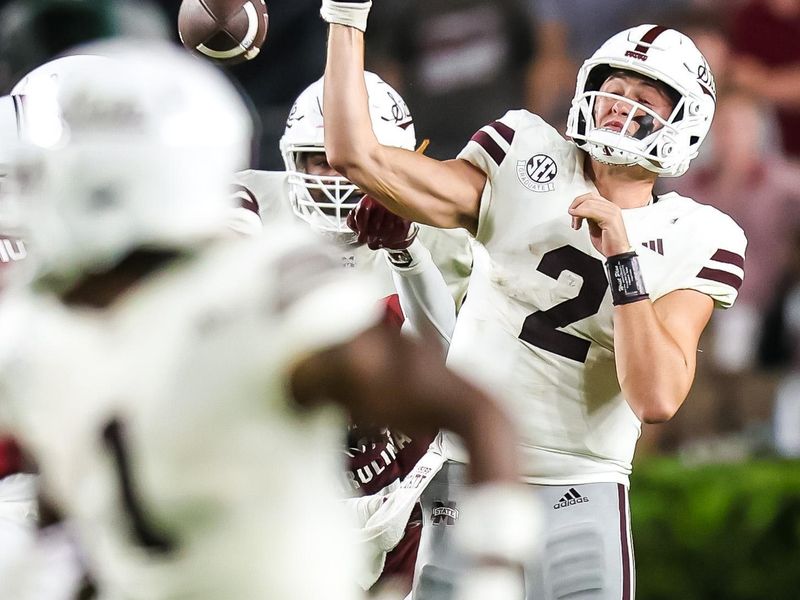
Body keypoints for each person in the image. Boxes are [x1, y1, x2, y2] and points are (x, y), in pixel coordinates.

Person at [0, 40, 537, 600]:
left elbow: (470, 405)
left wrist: (492, 573)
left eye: (30, 177)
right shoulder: (40, 330)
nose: (17, 200)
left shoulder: (257, 291)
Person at [319, 4, 747, 597]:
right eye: (613, 88)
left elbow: (656, 396)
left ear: (686, 122)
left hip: (582, 483)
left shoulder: (700, 234)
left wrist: (623, 260)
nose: (622, 104)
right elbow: (355, 157)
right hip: (470, 474)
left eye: (647, 98)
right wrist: (346, 16)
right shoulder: (525, 153)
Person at [229, 71, 469, 596]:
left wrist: (408, 251)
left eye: (356, 160)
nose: (340, 179)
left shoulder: (445, 232)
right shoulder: (248, 205)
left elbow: (448, 358)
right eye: (324, 160)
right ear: (292, 160)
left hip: (407, 484)